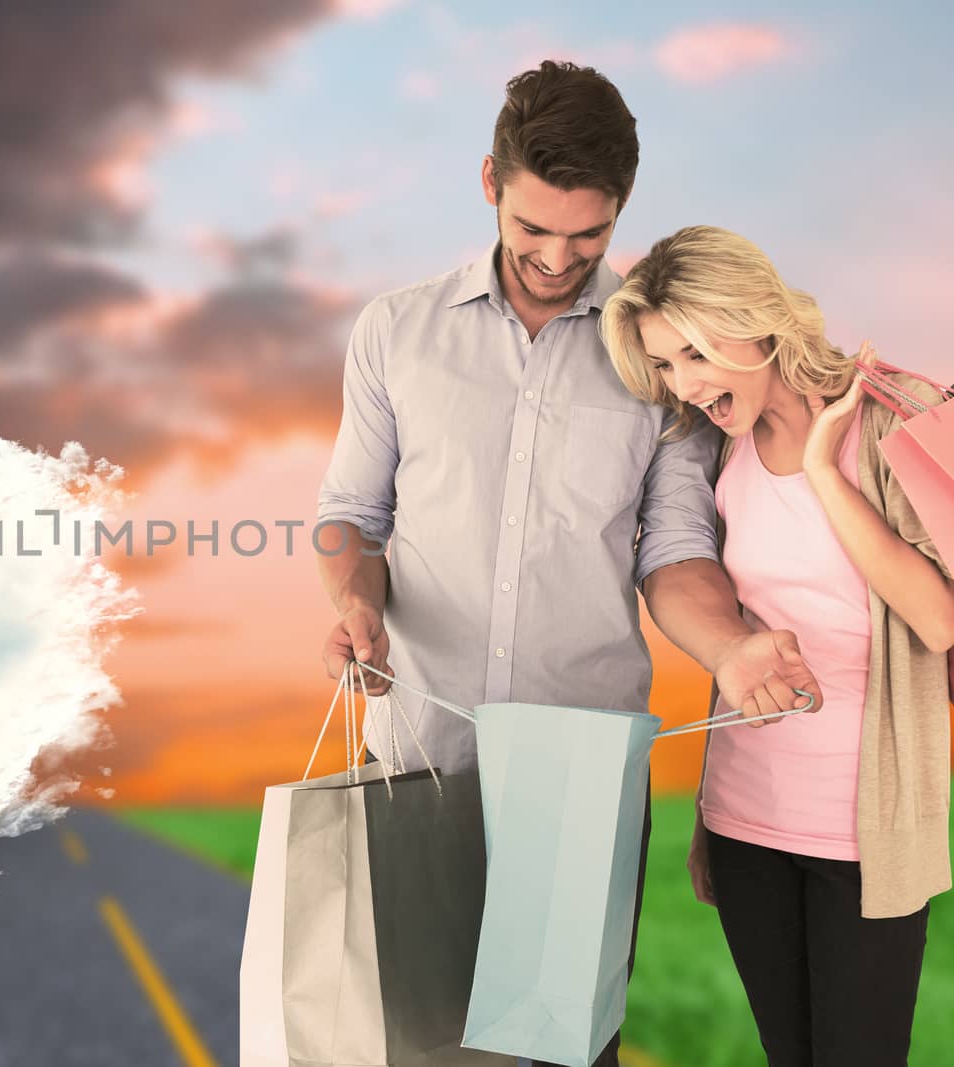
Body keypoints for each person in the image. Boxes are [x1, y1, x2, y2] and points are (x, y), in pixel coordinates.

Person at [315, 62, 821, 1067]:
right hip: (418, 752)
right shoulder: (396, 332)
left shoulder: (656, 358)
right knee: (404, 1043)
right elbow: (349, 516)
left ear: (620, 208)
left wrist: (729, 647)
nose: (555, 257)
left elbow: (674, 545)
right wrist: (351, 604)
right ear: (489, 183)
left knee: (561, 1050)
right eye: (532, 228)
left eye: (586, 234)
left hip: (579, 770)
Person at [600, 225, 954, 1066]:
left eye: (693, 352)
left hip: (862, 827)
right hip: (748, 816)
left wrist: (828, 474)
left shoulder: (899, 413)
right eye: (664, 364)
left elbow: (939, 620)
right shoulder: (715, 443)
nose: (683, 384)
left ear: (754, 321)